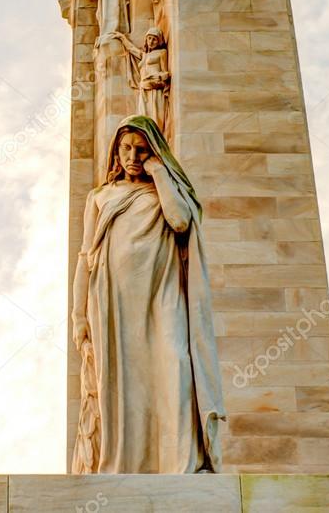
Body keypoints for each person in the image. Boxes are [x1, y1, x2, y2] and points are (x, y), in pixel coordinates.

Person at [71, 115, 225, 474]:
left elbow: (181, 221)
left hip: (162, 292)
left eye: (141, 149)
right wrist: (78, 316)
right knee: (120, 380)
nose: (132, 156)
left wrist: (159, 174)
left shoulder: (166, 191)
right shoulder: (100, 197)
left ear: (154, 151)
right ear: (116, 150)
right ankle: (124, 464)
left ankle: (181, 463)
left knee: (175, 362)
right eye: (126, 148)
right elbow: (85, 258)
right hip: (113, 298)